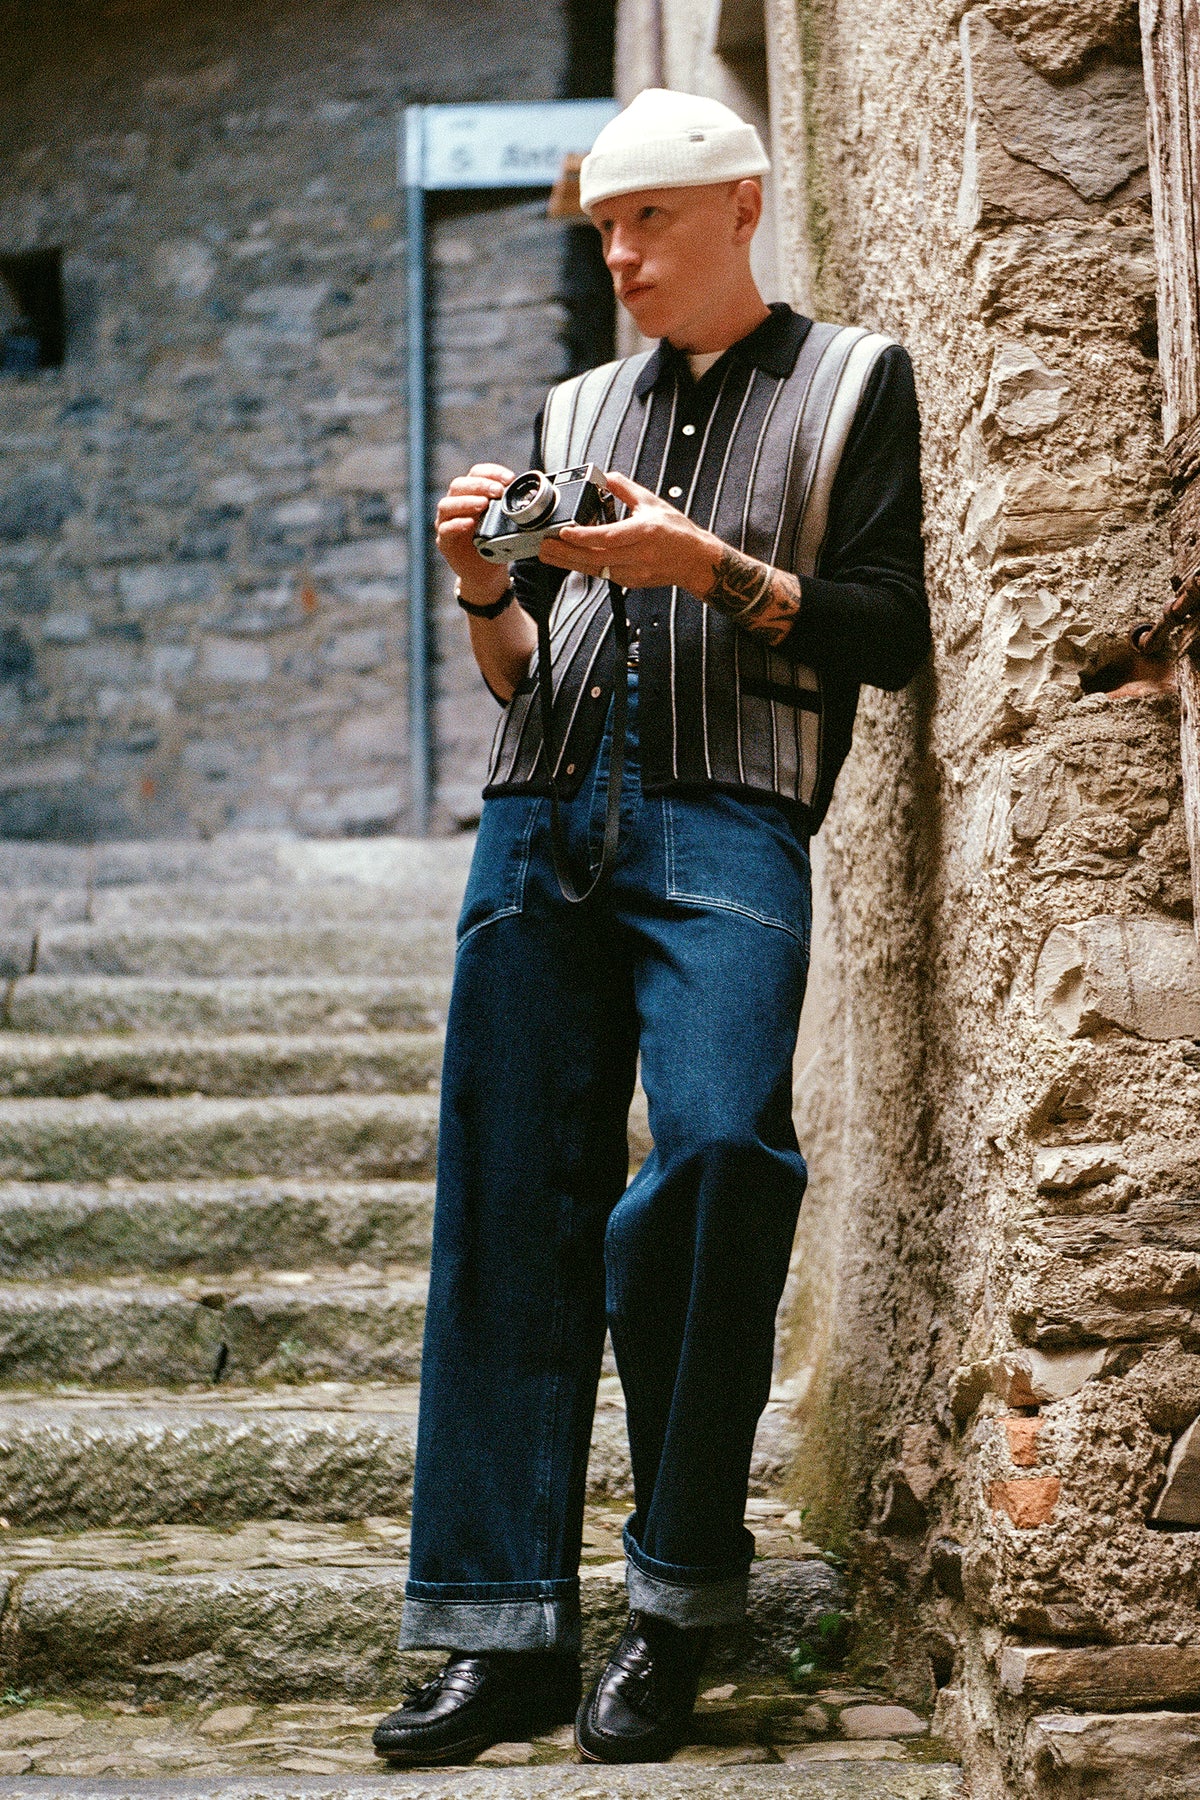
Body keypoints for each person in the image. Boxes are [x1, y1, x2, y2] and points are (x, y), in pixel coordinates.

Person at [373, 86, 930, 1768]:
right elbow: (520, 675)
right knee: (504, 1202)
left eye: (649, 221)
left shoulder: (856, 382)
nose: (618, 256)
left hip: (729, 819)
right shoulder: (577, 402)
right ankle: (498, 1639)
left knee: (719, 1157)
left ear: (742, 206)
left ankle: (679, 1599)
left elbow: (889, 633)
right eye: (604, 228)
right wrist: (483, 583)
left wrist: (712, 569)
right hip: (537, 822)